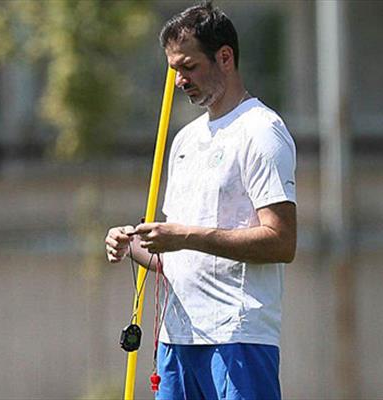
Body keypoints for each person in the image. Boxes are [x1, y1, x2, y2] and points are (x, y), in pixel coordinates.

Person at [104, 2, 297, 399]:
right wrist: (134, 244)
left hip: (238, 338)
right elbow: (176, 257)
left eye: (189, 66)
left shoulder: (262, 131)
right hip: (175, 340)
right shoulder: (185, 141)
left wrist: (185, 237)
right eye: (174, 69)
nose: (179, 80)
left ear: (225, 57)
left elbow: (281, 242)